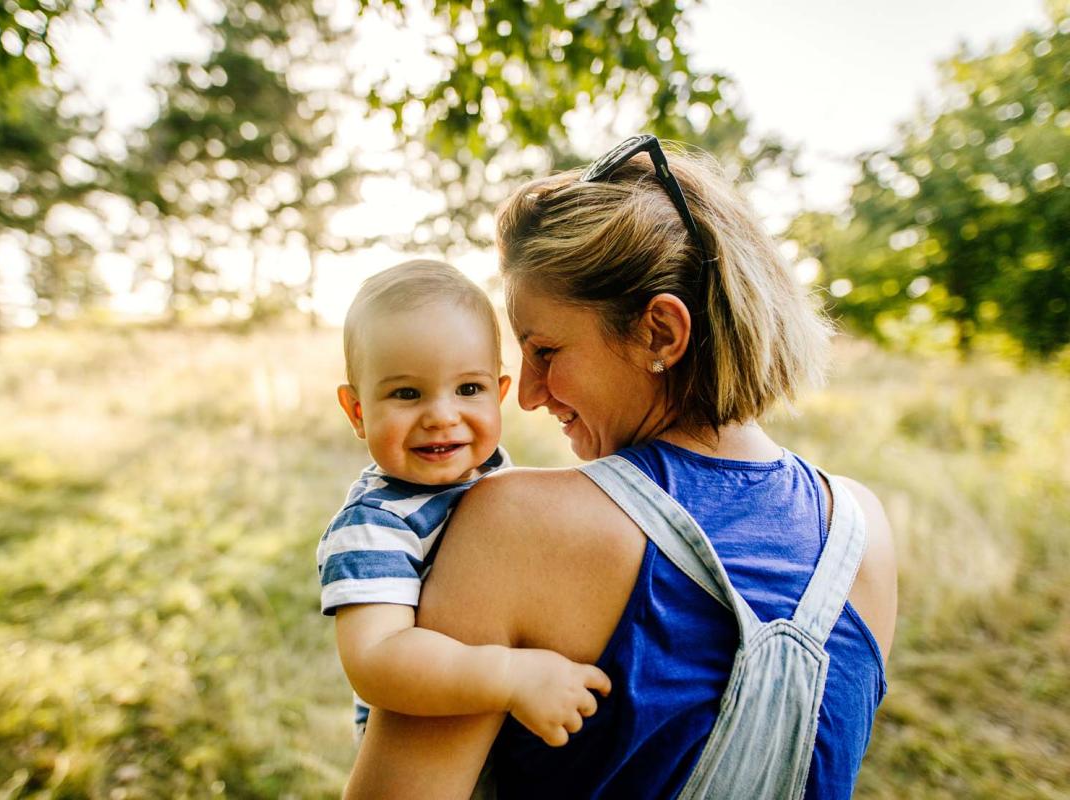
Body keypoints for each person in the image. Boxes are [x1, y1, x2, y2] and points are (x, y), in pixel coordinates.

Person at [344, 138, 897, 799]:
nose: (528, 393)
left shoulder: (514, 524)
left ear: (660, 332)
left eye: (545, 350)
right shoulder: (863, 530)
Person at [317, 259, 612, 750]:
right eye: (407, 393)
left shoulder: (499, 475)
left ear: (498, 394)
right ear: (358, 412)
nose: (441, 416)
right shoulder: (376, 524)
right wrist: (511, 676)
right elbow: (377, 659)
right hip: (434, 741)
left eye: (468, 389)